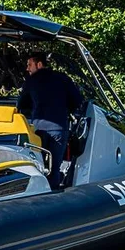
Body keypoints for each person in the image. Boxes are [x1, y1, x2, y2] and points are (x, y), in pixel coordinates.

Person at [17, 53, 83, 189]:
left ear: (39, 64)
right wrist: (65, 110)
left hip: (38, 129)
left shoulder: (31, 81)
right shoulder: (62, 78)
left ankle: (38, 192)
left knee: (37, 165)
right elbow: (77, 100)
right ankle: (54, 194)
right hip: (59, 127)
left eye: (29, 64)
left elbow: (21, 104)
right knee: (55, 166)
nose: (27, 69)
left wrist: (34, 110)